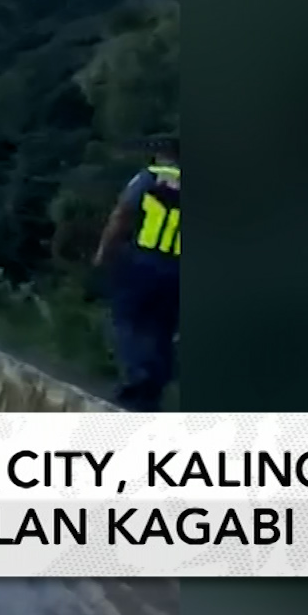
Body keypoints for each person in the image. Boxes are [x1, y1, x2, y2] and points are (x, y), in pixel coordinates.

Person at [93, 134, 180, 411]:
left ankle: (137, 378)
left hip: (145, 260)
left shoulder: (150, 178)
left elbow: (122, 214)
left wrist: (104, 251)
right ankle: (152, 392)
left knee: (127, 321)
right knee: (163, 329)